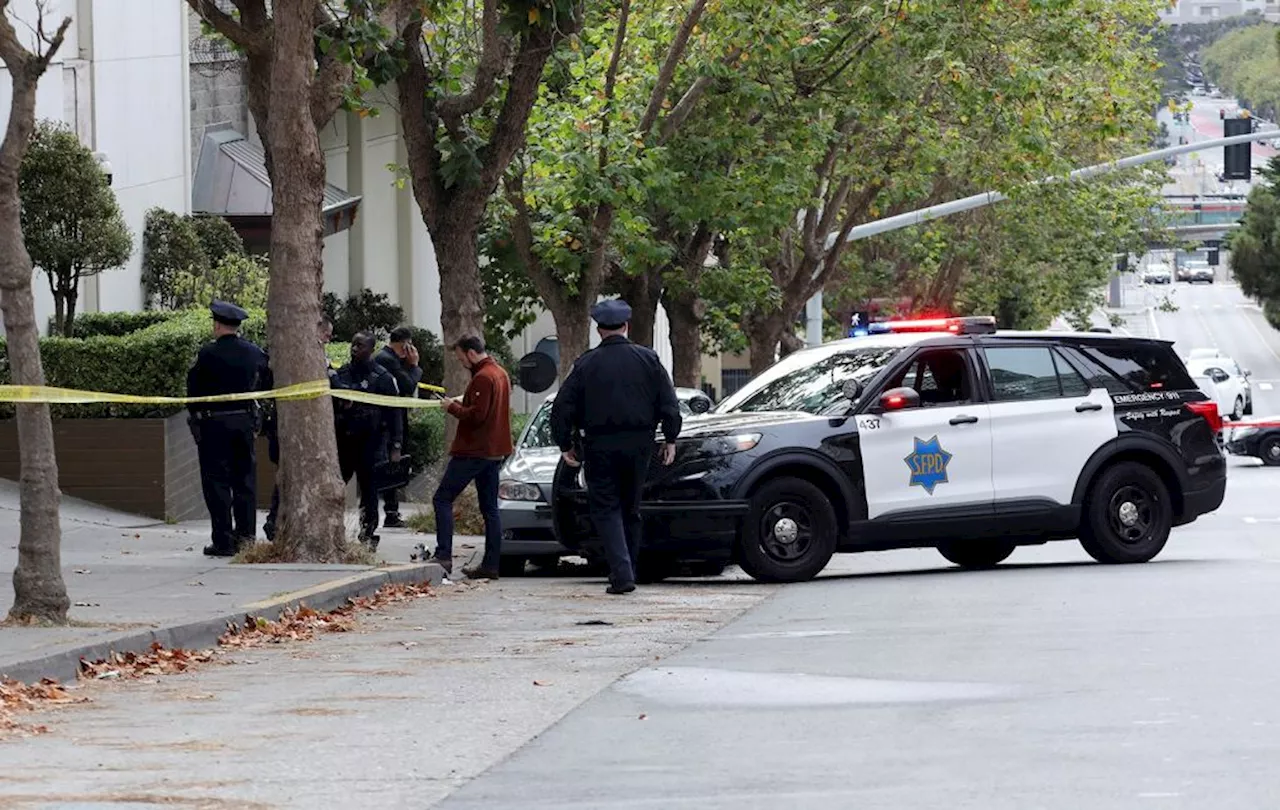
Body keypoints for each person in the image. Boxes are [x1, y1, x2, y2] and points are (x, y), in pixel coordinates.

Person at [551, 299, 682, 595]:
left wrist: (565, 443)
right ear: (627, 326)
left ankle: (622, 573)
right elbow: (669, 403)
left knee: (606, 508)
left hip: (600, 444)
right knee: (631, 507)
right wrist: (670, 438)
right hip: (640, 443)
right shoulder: (648, 359)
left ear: (599, 330)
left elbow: (562, 407)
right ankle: (628, 569)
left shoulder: (585, 364)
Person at [186, 300, 270, 557]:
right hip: (244, 422)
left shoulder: (207, 354)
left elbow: (194, 389)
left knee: (217, 483)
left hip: (214, 424)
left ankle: (223, 541)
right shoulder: (254, 352)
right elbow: (267, 382)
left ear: (218, 324)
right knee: (245, 481)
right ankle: (246, 540)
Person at [430, 335, 513, 579]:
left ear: (471, 353)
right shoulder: (500, 373)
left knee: (442, 499)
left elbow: (477, 416)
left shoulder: (483, 378)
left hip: (474, 451)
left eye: (460, 357)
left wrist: (452, 407)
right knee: (490, 509)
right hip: (494, 451)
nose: (461, 362)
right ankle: (491, 564)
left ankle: (443, 555)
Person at [264, 317, 334, 541]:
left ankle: (277, 520)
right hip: (287, 428)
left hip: (308, 430)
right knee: (285, 474)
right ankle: (275, 520)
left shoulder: (323, 360)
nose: (328, 340)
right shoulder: (295, 358)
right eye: (327, 335)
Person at [332, 332, 401, 548]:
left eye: (360, 346)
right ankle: (334, 529)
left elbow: (394, 415)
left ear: (371, 349)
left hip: (371, 443)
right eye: (353, 344)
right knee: (335, 487)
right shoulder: (341, 373)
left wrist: (396, 445)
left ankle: (368, 532)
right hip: (344, 441)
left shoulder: (383, 378)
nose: (354, 349)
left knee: (369, 491)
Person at [374, 326, 423, 528]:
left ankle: (392, 511)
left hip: (392, 421)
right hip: (386, 423)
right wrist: (414, 365)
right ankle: (390, 512)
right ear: (404, 344)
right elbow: (408, 386)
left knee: (393, 466)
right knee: (389, 467)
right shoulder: (388, 360)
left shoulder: (392, 360)